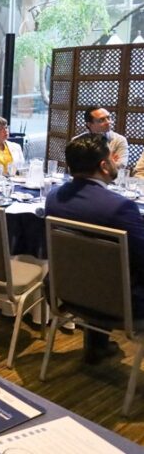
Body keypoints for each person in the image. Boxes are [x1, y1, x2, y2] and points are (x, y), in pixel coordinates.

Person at [46, 134, 144, 364]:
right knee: (114, 271)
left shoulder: (53, 197)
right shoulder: (120, 207)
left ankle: (97, 346)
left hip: (66, 291)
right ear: (103, 165)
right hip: (117, 302)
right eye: (112, 158)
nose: (115, 162)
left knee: (97, 267)